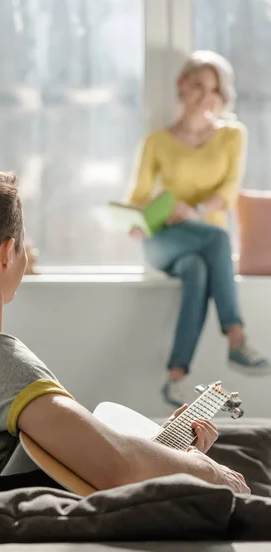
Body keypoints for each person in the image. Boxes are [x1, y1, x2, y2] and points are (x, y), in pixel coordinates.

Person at [0, 167, 249, 498]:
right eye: (24, 246)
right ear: (8, 253)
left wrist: (170, 451)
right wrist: (208, 471)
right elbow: (120, 466)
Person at [126, 50, 271, 408]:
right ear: (181, 87)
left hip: (205, 238)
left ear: (222, 96)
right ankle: (236, 338)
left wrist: (195, 211)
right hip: (165, 239)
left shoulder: (232, 136)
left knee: (198, 267)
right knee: (219, 237)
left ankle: (175, 377)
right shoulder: (156, 142)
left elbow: (227, 191)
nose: (206, 96)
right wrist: (151, 214)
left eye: (214, 89)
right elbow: (136, 200)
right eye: (198, 86)